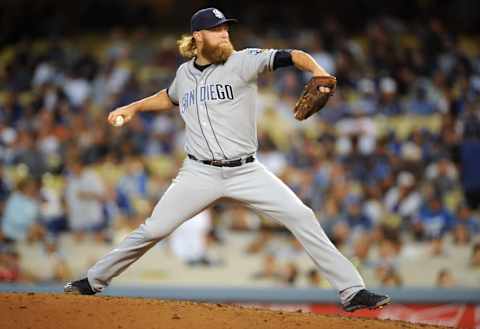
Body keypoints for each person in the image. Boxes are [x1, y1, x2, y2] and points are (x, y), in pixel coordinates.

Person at [64, 7, 390, 312]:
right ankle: (93, 281)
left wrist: (318, 70)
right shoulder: (184, 74)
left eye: (225, 28)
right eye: (216, 29)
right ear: (197, 37)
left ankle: (351, 291)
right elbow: (170, 96)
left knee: (301, 215)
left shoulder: (243, 61)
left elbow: (294, 56)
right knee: (152, 230)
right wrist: (132, 107)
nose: (224, 34)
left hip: (247, 171)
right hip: (198, 173)